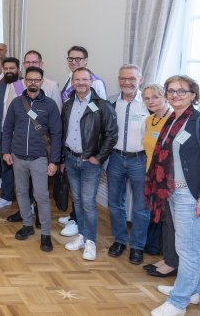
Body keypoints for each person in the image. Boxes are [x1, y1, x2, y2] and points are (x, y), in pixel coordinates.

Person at [148, 76, 200, 316]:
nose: (175, 95)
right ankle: (192, 291)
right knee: (189, 247)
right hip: (173, 192)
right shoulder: (173, 120)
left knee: (186, 249)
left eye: (182, 91)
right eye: (171, 90)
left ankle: (178, 303)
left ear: (193, 94)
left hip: (190, 195)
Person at [0, 67, 62, 252]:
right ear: (25, 81)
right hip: (18, 156)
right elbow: (7, 128)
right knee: (21, 191)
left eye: (37, 80)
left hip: (40, 158)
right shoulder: (16, 103)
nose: (33, 82)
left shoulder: (50, 105)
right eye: (30, 79)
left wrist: (54, 161)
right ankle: (27, 224)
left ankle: (45, 234)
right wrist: (6, 151)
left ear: (42, 82)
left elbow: (57, 134)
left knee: (41, 196)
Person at [62, 67, 118, 261]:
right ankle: (82, 236)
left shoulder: (102, 106)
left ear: (91, 82)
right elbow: (63, 132)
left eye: (85, 79)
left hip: (90, 162)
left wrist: (99, 158)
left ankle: (91, 242)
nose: (81, 83)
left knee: (88, 203)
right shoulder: (68, 104)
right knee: (77, 200)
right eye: (77, 79)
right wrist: (63, 158)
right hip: (71, 158)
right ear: (73, 82)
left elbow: (111, 135)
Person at [106, 65, 150, 265]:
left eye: (132, 78)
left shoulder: (149, 103)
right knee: (115, 203)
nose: (127, 82)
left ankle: (138, 247)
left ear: (140, 80)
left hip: (140, 160)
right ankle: (120, 240)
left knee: (141, 208)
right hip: (116, 158)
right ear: (118, 79)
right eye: (123, 78)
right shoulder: (112, 102)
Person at [141, 83, 178, 278]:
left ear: (165, 97)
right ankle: (168, 258)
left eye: (155, 97)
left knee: (172, 222)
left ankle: (172, 263)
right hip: (153, 177)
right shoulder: (150, 120)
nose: (151, 101)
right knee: (165, 221)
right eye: (146, 98)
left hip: (169, 181)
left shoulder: (174, 121)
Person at [0, 57, 24, 209]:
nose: (9, 71)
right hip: (4, 133)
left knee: (22, 168)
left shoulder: (21, 86)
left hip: (21, 135)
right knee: (6, 167)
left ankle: (25, 199)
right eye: (7, 69)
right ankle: (6, 196)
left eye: (12, 68)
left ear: (18, 69)